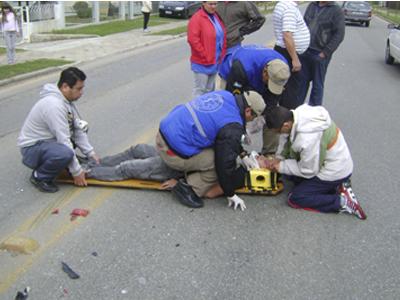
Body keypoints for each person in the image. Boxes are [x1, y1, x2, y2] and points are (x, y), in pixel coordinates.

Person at [157, 90, 266, 210]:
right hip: (173, 152)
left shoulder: (226, 95)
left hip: (166, 133)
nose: (252, 120)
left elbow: (222, 132)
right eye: (254, 116)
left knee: (218, 150)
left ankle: (139, 151)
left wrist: (243, 155)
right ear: (248, 111)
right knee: (215, 164)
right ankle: (187, 188)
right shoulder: (232, 126)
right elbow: (223, 163)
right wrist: (230, 193)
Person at [264, 105, 367, 220]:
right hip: (337, 161)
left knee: (296, 198)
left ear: (286, 125)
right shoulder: (299, 114)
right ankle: (338, 186)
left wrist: (280, 166)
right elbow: (288, 140)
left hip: (334, 170)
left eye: (278, 131)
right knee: (287, 173)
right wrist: (279, 158)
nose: (279, 134)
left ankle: (342, 202)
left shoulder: (307, 139)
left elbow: (308, 170)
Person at [85, 144, 272, 204]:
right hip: (179, 154)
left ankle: (85, 172)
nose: (264, 158)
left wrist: (180, 183)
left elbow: (209, 192)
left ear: (260, 171)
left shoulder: (239, 176)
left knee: (127, 168)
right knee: (137, 149)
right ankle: (93, 162)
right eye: (265, 157)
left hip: (176, 169)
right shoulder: (242, 153)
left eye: (267, 163)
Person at [18, 67, 99, 193]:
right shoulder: (54, 105)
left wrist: (91, 154)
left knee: (80, 129)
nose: (81, 92)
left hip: (47, 142)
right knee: (65, 152)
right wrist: (76, 172)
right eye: (79, 88)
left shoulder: (66, 101)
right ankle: (39, 177)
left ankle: (62, 162)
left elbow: (76, 128)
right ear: (65, 86)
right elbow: (64, 140)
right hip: (32, 148)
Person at [219, 44, 290, 155]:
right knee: (231, 117)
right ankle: (233, 151)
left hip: (256, 78)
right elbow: (233, 103)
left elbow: (271, 102)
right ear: (265, 72)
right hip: (235, 77)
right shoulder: (241, 68)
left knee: (273, 115)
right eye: (270, 82)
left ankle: (269, 154)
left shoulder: (282, 69)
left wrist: (262, 117)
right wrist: (242, 130)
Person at [299, 1, 345, 106]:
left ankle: (315, 113)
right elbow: (303, 25)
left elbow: (339, 35)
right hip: (305, 51)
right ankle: (299, 112)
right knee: (301, 84)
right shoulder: (312, 6)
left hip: (320, 53)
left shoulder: (336, 10)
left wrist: (325, 53)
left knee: (317, 85)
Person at [216, 1, 265, 88]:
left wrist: (241, 32)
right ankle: (225, 96)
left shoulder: (244, 3)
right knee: (222, 75)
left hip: (233, 46)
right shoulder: (216, 3)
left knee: (235, 75)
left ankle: (236, 95)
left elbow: (259, 19)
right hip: (217, 47)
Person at [272, 0, 310, 110]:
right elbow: (287, 35)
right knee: (292, 90)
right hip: (288, 53)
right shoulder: (289, 9)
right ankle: (288, 115)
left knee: (284, 87)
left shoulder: (282, 4)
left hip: (285, 51)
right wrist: (295, 59)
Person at [187, 2, 226, 97]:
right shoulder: (197, 18)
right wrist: (204, 55)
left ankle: (207, 110)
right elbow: (193, 40)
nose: (213, 7)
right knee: (200, 90)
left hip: (215, 60)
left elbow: (221, 35)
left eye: (215, 4)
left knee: (210, 90)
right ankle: (197, 110)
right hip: (202, 62)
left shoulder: (216, 16)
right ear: (203, 3)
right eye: (210, 4)